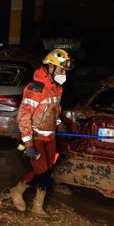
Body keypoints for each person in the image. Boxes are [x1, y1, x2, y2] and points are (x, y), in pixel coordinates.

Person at [9, 48, 74, 216]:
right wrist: (28, 144)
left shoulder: (57, 88)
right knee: (42, 172)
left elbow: (54, 111)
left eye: (65, 70)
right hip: (35, 137)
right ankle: (18, 191)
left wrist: (59, 124)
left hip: (50, 137)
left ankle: (38, 205)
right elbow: (23, 117)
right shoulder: (35, 88)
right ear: (50, 67)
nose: (63, 73)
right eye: (61, 69)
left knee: (46, 171)